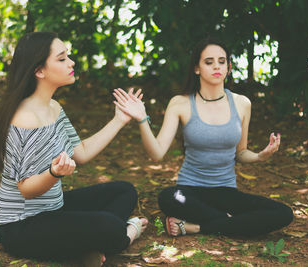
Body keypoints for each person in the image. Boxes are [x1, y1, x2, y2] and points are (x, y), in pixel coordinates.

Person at [0, 31, 148, 265]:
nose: (71, 62)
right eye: (62, 58)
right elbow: (26, 189)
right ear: (39, 71)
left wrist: (119, 120)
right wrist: (54, 173)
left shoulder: (53, 107)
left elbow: (81, 152)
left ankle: (90, 244)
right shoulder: (26, 118)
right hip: (21, 227)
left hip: (54, 208)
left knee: (124, 191)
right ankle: (122, 236)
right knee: (110, 225)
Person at [113, 37, 293, 238]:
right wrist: (141, 119)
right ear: (197, 68)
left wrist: (261, 156)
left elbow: (240, 152)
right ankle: (232, 222)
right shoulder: (180, 103)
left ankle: (197, 227)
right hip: (187, 193)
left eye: (222, 61)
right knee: (168, 197)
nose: (216, 66)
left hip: (226, 193)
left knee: (283, 213)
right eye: (209, 62)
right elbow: (157, 154)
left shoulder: (242, 104)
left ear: (228, 67)